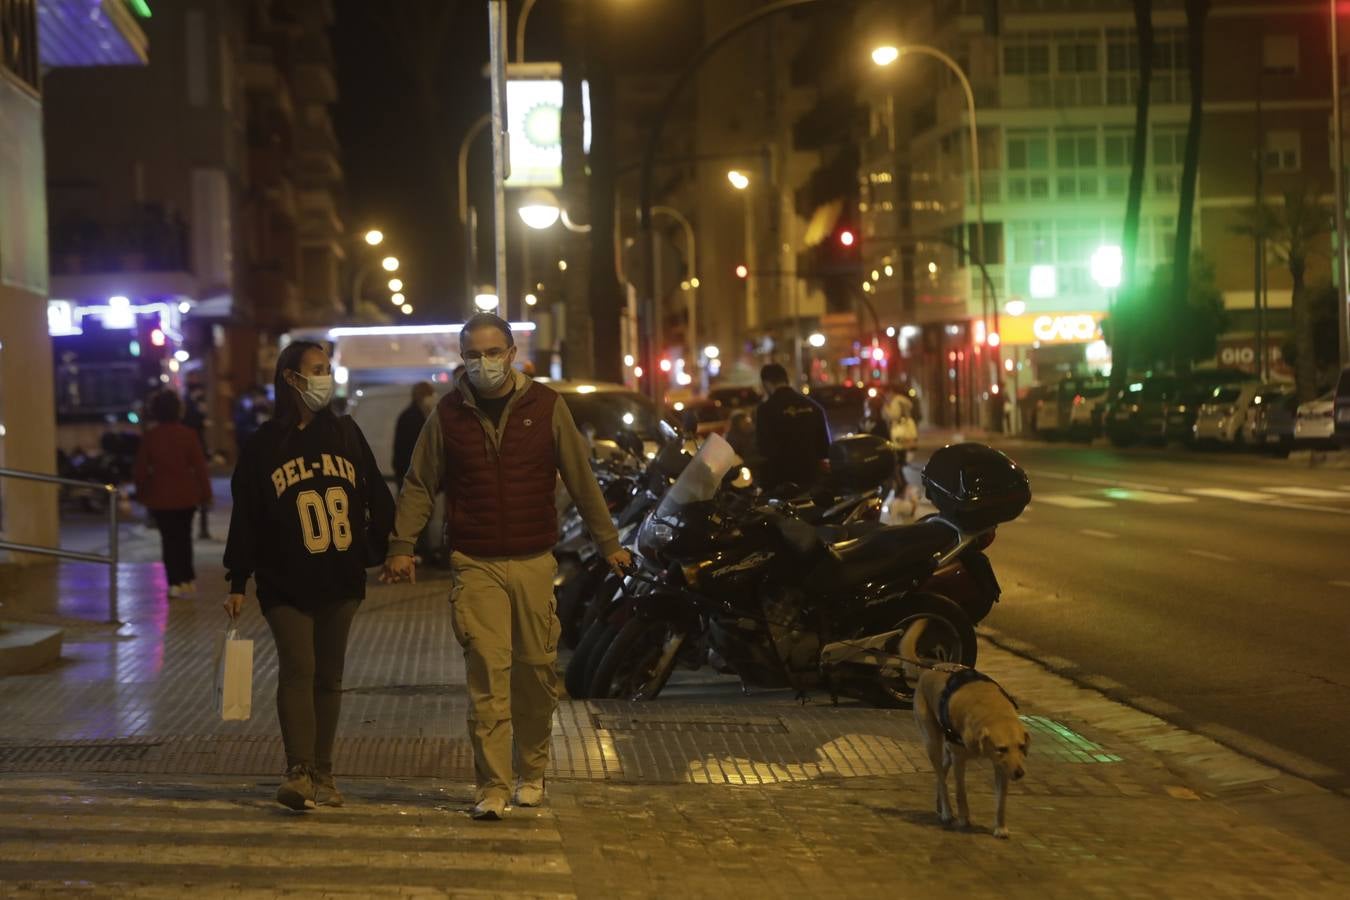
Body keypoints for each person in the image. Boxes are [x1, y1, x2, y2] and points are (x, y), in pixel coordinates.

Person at [381, 313, 630, 821]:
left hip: (535, 559)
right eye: (473, 354)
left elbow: (581, 478)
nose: (483, 363)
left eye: (492, 353)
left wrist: (609, 543)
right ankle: (492, 786)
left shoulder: (547, 407)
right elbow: (419, 483)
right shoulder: (448, 416)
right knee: (487, 675)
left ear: (512, 354)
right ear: (462, 359)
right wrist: (401, 545)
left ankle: (532, 772)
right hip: (475, 563)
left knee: (537, 673)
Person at [223, 341, 395, 811]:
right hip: (285, 580)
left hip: (340, 578)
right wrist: (238, 580)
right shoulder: (264, 444)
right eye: (317, 370)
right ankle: (298, 772)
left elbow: (376, 495)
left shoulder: (345, 432)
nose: (326, 377)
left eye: (328, 368)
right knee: (299, 668)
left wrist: (391, 550)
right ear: (291, 379)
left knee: (330, 677)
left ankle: (324, 771)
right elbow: (248, 515)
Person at [133, 390, 212, 598]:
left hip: (161, 496)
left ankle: (174, 581)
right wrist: (206, 493)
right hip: (186, 495)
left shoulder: (151, 437)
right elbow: (199, 467)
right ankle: (187, 578)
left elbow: (141, 470)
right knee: (184, 537)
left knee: (168, 540)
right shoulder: (188, 435)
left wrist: (142, 493)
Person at [754, 363, 830, 491]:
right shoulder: (814, 407)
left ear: (766, 383)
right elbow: (825, 448)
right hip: (811, 477)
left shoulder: (765, 410)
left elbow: (764, 449)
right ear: (786, 379)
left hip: (781, 481)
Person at [182, 382, 213, 539]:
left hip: (197, 447)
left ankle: (203, 525)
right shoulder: (189, 407)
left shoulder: (193, 405)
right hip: (195, 449)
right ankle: (202, 525)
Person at [393, 382, 436, 492]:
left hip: (408, 475)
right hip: (413, 477)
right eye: (430, 394)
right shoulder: (414, 418)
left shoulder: (410, 415)